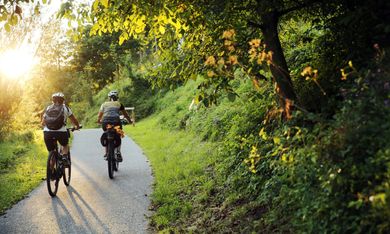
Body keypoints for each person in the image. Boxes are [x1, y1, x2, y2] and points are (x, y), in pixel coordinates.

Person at [42, 92, 80, 165]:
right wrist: (77, 126)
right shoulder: (66, 108)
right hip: (61, 132)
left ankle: (51, 174)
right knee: (65, 145)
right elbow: (74, 120)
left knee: (51, 152)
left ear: (53, 100)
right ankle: (65, 157)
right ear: (63, 100)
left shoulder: (48, 108)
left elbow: (43, 123)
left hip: (47, 133)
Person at [97, 90, 132, 162]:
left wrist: (99, 121)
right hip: (116, 122)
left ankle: (106, 153)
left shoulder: (104, 104)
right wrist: (130, 121)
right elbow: (125, 115)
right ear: (117, 97)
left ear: (109, 98)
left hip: (105, 122)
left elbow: (99, 116)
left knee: (107, 134)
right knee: (119, 134)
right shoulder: (119, 104)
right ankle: (118, 152)